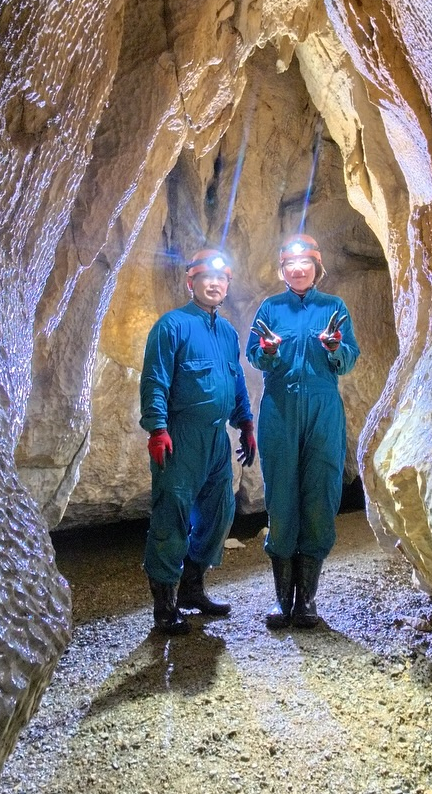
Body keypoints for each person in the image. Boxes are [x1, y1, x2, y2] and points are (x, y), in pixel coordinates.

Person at [139, 246, 256, 635]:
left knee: (219, 512)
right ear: (191, 282)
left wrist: (246, 423)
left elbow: (235, 378)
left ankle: (193, 588)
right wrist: (157, 428)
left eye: (221, 279)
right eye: (207, 278)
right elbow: (155, 380)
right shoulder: (171, 326)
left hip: (217, 438)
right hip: (180, 436)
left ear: (227, 285)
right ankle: (165, 606)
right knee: (171, 515)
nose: (214, 284)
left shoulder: (226, 332)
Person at [246, 233, 359, 630]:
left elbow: (348, 360)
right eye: (290, 264)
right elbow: (254, 354)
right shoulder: (270, 308)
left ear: (316, 268)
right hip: (279, 409)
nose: (297, 269)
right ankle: (282, 601)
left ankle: (307, 601)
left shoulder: (334, 307)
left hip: (323, 408)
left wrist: (333, 348)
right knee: (281, 497)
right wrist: (270, 351)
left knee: (320, 493)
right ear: (282, 269)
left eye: (305, 263)